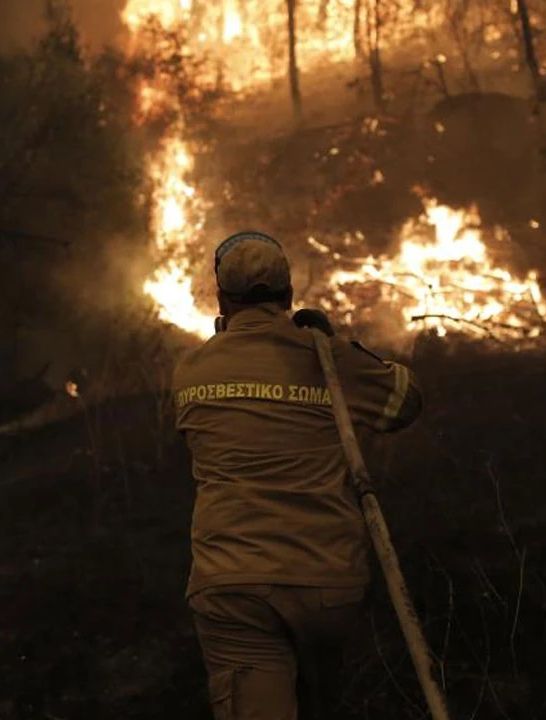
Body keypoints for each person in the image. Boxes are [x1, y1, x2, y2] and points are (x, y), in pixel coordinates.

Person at [172, 231, 424, 720]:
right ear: (289, 296)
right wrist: (332, 344)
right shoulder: (326, 360)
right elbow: (404, 402)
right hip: (328, 581)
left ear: (222, 298)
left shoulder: (191, 370)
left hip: (233, 584)